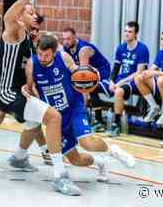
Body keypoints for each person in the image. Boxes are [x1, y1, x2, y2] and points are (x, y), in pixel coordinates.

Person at [0, 0, 81, 196]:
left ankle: (19, 157)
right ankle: (60, 177)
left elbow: (41, 62)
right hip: (4, 92)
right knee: (52, 117)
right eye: (29, 12)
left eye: (34, 12)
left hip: (17, 90)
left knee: (33, 122)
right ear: (20, 17)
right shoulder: (14, 31)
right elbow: (9, 14)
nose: (34, 15)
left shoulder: (33, 39)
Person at [26, 34, 136, 184]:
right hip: (55, 116)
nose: (42, 58)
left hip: (73, 107)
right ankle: (101, 162)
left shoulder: (63, 57)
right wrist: (25, 90)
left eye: (46, 55)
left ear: (54, 52)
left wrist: (89, 72)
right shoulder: (32, 64)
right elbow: (30, 87)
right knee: (75, 160)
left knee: (87, 143)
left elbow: (77, 72)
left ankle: (113, 150)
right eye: (39, 54)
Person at [0, 13, 52, 165]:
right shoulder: (13, 35)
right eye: (33, 28)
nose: (35, 32)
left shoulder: (32, 45)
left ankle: (43, 151)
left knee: (32, 116)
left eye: (37, 29)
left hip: (8, 86)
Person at [62, 27, 111, 131]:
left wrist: (81, 111)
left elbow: (83, 78)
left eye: (68, 39)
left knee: (88, 85)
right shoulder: (66, 47)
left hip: (102, 71)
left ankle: (98, 120)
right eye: (64, 39)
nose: (66, 42)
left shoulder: (83, 49)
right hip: (89, 71)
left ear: (75, 37)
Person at [107, 21, 149, 136]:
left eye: (130, 32)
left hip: (135, 80)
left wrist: (121, 82)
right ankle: (96, 118)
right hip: (122, 78)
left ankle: (116, 124)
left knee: (119, 91)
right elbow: (115, 68)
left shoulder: (142, 48)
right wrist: (111, 81)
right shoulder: (121, 48)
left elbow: (140, 72)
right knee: (96, 85)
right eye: (125, 31)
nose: (126, 34)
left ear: (136, 34)